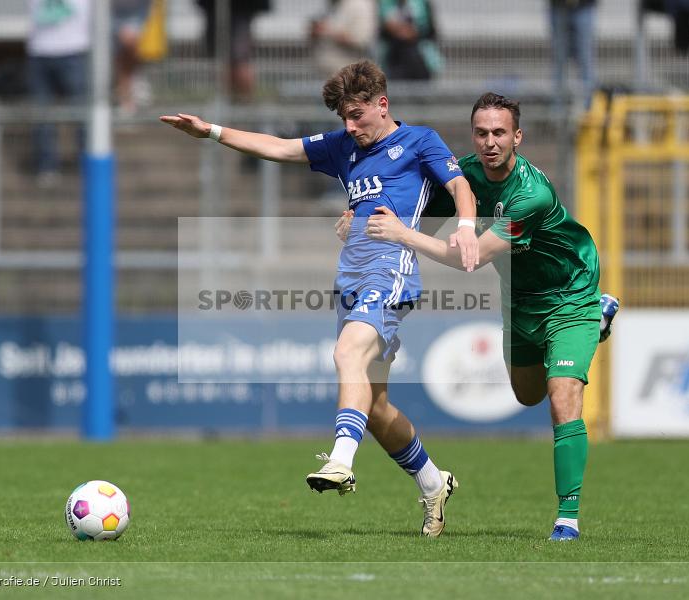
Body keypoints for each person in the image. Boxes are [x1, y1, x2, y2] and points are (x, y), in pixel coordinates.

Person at [161, 60, 479, 537]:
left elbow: (460, 186)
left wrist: (469, 228)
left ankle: (340, 461)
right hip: (349, 278)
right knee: (375, 408)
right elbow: (278, 147)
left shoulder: (420, 141)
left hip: (392, 270)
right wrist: (211, 132)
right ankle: (434, 483)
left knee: (346, 352)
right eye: (343, 119)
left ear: (382, 104)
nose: (350, 127)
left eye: (357, 115)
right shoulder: (343, 147)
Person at [361, 92, 620, 541]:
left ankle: (567, 518)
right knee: (527, 394)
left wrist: (401, 235)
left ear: (517, 136)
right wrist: (362, 218)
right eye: (481, 133)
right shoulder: (466, 177)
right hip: (519, 300)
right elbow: (416, 213)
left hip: (571, 292)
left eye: (500, 132)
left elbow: (472, 257)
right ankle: (599, 323)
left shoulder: (531, 195)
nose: (490, 141)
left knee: (563, 399)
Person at [27, 0, 91, 187]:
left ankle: (86, 160)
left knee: (81, 112)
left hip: (74, 49)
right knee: (42, 114)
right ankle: (46, 165)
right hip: (39, 50)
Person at [194, 0, 270, 100]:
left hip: (239, 12)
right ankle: (229, 100)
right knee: (223, 61)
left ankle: (243, 101)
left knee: (239, 61)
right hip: (217, 12)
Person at [549, 0, 598, 113]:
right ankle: (557, 110)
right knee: (559, 61)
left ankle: (589, 109)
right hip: (558, 6)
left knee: (585, 61)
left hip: (584, 5)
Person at [310, 0, 378, 78]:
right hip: (331, 75)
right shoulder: (337, 3)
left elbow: (361, 40)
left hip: (349, 76)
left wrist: (328, 31)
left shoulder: (360, 4)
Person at [378, 0, 442, 81]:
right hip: (393, 56)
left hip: (418, 56)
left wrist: (412, 32)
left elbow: (428, 29)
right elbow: (385, 26)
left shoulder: (421, 3)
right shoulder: (386, 3)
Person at [112, 0, 153, 115]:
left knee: (129, 44)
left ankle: (130, 90)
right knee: (118, 56)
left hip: (134, 11)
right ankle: (124, 97)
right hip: (108, 12)